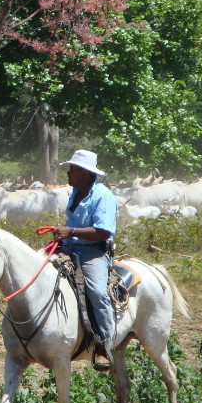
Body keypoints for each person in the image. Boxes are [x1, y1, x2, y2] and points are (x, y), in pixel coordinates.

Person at [51, 149, 118, 371]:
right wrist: (65, 237)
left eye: (73, 170)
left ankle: (104, 346)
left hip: (93, 252)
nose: (68, 174)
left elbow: (103, 232)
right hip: (69, 247)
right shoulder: (77, 191)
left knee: (97, 292)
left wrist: (70, 232)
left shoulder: (103, 196)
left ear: (86, 173)